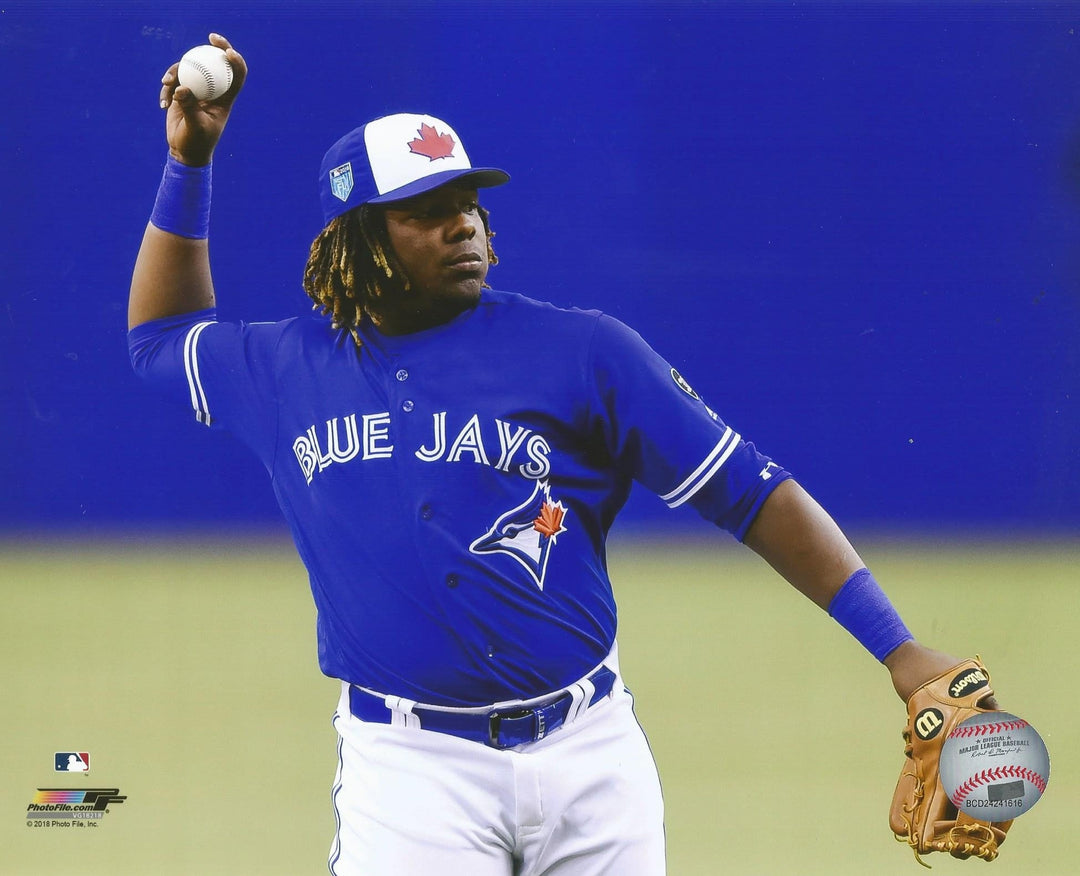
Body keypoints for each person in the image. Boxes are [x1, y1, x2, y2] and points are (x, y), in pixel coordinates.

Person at [129, 34, 997, 875]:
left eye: (466, 202)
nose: (460, 225)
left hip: (590, 757)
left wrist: (897, 646)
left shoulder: (583, 352)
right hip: (411, 775)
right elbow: (161, 337)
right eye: (424, 211)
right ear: (355, 237)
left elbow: (752, 494)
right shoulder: (284, 369)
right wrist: (191, 161)